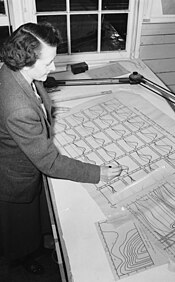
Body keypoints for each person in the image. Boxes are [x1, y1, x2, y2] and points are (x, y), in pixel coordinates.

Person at [0, 22, 122, 275]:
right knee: (20, 230)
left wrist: (44, 113)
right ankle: (22, 260)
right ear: (24, 59)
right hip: (14, 179)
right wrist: (98, 173)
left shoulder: (13, 71)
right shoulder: (18, 109)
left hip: (21, 161)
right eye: (47, 63)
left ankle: (38, 245)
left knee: (38, 219)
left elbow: (35, 97)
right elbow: (49, 163)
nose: (53, 68)